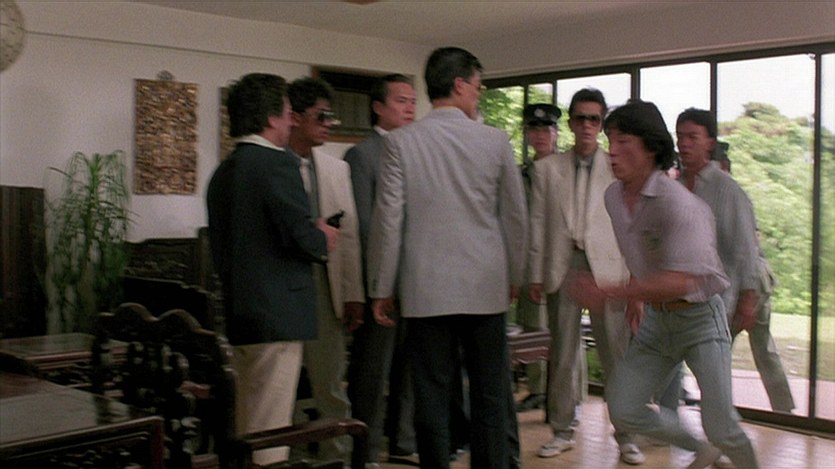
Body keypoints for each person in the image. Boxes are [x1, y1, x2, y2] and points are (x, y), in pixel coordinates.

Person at [572, 99, 758, 468]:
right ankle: (698, 447)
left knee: (721, 426)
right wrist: (637, 297)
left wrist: (613, 291)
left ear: (650, 148)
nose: (612, 151)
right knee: (623, 408)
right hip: (658, 322)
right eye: (611, 141)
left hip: (701, 320)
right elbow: (641, 253)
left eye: (623, 142)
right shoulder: (614, 197)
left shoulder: (679, 205)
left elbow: (681, 280)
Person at [366, 46, 528, 469]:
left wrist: (382, 287)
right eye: (477, 86)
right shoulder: (494, 140)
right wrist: (515, 274)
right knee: (491, 393)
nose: (478, 94)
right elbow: (514, 216)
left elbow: (388, 221)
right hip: (485, 287)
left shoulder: (401, 142)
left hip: (425, 289)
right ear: (459, 85)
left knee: (431, 394)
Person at [206, 72, 339, 465]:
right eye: (286, 112)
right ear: (270, 117)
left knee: (248, 417)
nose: (289, 121)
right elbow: (301, 238)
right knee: (270, 429)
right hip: (277, 314)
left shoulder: (224, 171)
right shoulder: (276, 164)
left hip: (240, 312)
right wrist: (323, 235)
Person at [527, 89, 643, 464]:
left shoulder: (618, 167)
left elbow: (632, 227)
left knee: (615, 354)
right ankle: (561, 430)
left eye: (594, 119)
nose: (587, 125)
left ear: (602, 123)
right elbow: (538, 225)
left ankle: (626, 434)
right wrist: (535, 273)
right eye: (580, 118)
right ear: (571, 122)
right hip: (563, 266)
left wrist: (634, 280)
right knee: (562, 353)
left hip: (607, 269)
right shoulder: (548, 169)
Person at [677, 108, 794, 413]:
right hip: (714, 293)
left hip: (744, 285)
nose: (684, 143)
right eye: (681, 137)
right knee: (721, 358)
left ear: (709, 143)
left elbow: (745, 249)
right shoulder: (679, 187)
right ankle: (720, 414)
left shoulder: (728, 190)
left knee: (749, 352)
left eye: (692, 137)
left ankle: (778, 412)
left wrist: (748, 298)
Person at [287, 76, 365, 460]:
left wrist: (354, 295)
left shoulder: (336, 169)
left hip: (325, 283)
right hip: (284, 284)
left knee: (330, 381)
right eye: (322, 116)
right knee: (283, 385)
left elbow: (348, 237)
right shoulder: (271, 164)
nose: (330, 123)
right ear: (295, 117)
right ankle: (287, 457)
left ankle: (337, 457)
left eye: (332, 116)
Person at [344, 73, 417, 467]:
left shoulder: (416, 150)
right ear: (378, 107)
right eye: (401, 101)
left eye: (413, 101)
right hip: (380, 281)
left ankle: (403, 441)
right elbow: (365, 224)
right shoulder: (362, 155)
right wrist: (379, 281)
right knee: (373, 369)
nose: (409, 108)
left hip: (416, 278)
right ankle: (367, 449)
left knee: (410, 366)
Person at [514, 103, 559, 413]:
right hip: (528, 263)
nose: (540, 135)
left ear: (556, 134)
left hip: (556, 260)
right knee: (532, 328)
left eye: (546, 129)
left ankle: (561, 393)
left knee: (560, 331)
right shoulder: (523, 173)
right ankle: (537, 388)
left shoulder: (564, 170)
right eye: (534, 130)